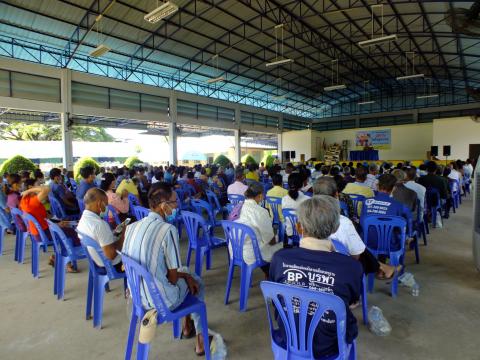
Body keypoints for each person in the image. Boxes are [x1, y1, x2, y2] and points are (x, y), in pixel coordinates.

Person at [269, 196, 363, 359]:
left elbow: (275, 294)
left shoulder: (279, 258)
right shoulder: (350, 267)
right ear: (335, 228)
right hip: (330, 346)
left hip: (288, 336)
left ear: (299, 227)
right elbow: (353, 300)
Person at [122, 182, 210, 356]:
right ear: (163, 206)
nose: (178, 206)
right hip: (162, 302)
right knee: (196, 282)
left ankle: (186, 326)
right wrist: (187, 276)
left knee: (186, 273)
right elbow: (172, 278)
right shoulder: (167, 230)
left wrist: (184, 274)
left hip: (138, 297)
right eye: (175, 202)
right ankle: (200, 340)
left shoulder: (131, 227)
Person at [313, 177, 399, 279]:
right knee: (358, 250)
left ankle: (382, 267)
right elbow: (356, 256)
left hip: (314, 263)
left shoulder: (305, 217)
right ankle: (381, 267)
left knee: (358, 247)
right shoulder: (343, 222)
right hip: (339, 269)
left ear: (314, 195)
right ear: (336, 195)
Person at [20, 179, 80, 272]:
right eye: (38, 185)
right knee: (68, 234)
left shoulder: (27, 200)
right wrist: (29, 190)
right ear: (31, 187)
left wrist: (58, 221)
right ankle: (66, 260)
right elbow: (47, 189)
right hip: (42, 233)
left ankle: (60, 256)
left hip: (43, 230)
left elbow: (45, 215)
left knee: (68, 230)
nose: (40, 186)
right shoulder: (31, 201)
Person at [236, 182, 282, 274]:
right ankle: (272, 276)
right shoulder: (261, 212)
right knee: (281, 246)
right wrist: (278, 240)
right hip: (252, 254)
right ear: (260, 195)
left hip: (236, 249)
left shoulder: (239, 206)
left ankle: (268, 272)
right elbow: (269, 239)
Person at [77, 188, 124, 271]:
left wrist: (113, 234)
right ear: (99, 204)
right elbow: (111, 255)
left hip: (96, 261)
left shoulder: (82, 220)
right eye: (106, 205)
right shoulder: (99, 225)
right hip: (111, 265)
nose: (106, 208)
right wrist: (124, 235)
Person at [281, 173, 309, 238]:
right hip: (303, 233)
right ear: (302, 184)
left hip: (289, 232)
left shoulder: (284, 199)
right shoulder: (307, 200)